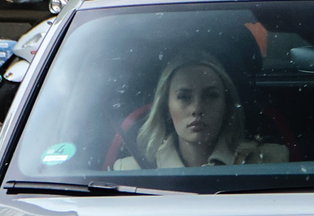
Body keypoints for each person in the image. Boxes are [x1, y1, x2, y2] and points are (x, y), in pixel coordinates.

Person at [115, 55, 287, 169]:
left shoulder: (270, 161)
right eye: (184, 97)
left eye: (211, 96)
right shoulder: (131, 170)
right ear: (166, 107)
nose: (197, 109)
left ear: (227, 107)